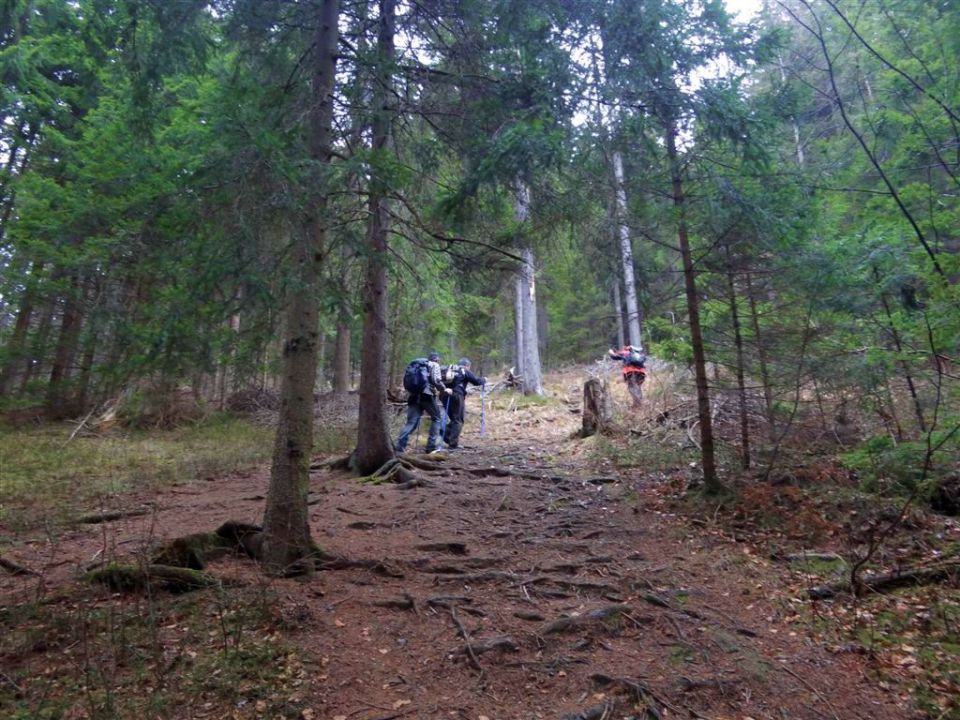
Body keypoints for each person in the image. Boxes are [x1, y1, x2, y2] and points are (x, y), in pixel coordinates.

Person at [395, 351, 452, 454]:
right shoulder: (434, 365)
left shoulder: (417, 365)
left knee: (411, 422)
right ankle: (431, 447)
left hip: (413, 396)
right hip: (427, 395)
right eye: (438, 360)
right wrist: (445, 390)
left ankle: (399, 447)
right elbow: (436, 380)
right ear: (437, 359)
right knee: (437, 419)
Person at [442, 358, 486, 449]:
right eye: (469, 366)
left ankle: (445, 434)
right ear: (467, 365)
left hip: (444, 396)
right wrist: (484, 380)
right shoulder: (464, 370)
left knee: (454, 419)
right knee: (458, 420)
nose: (469, 368)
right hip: (457, 396)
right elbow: (476, 381)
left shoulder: (450, 369)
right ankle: (452, 444)